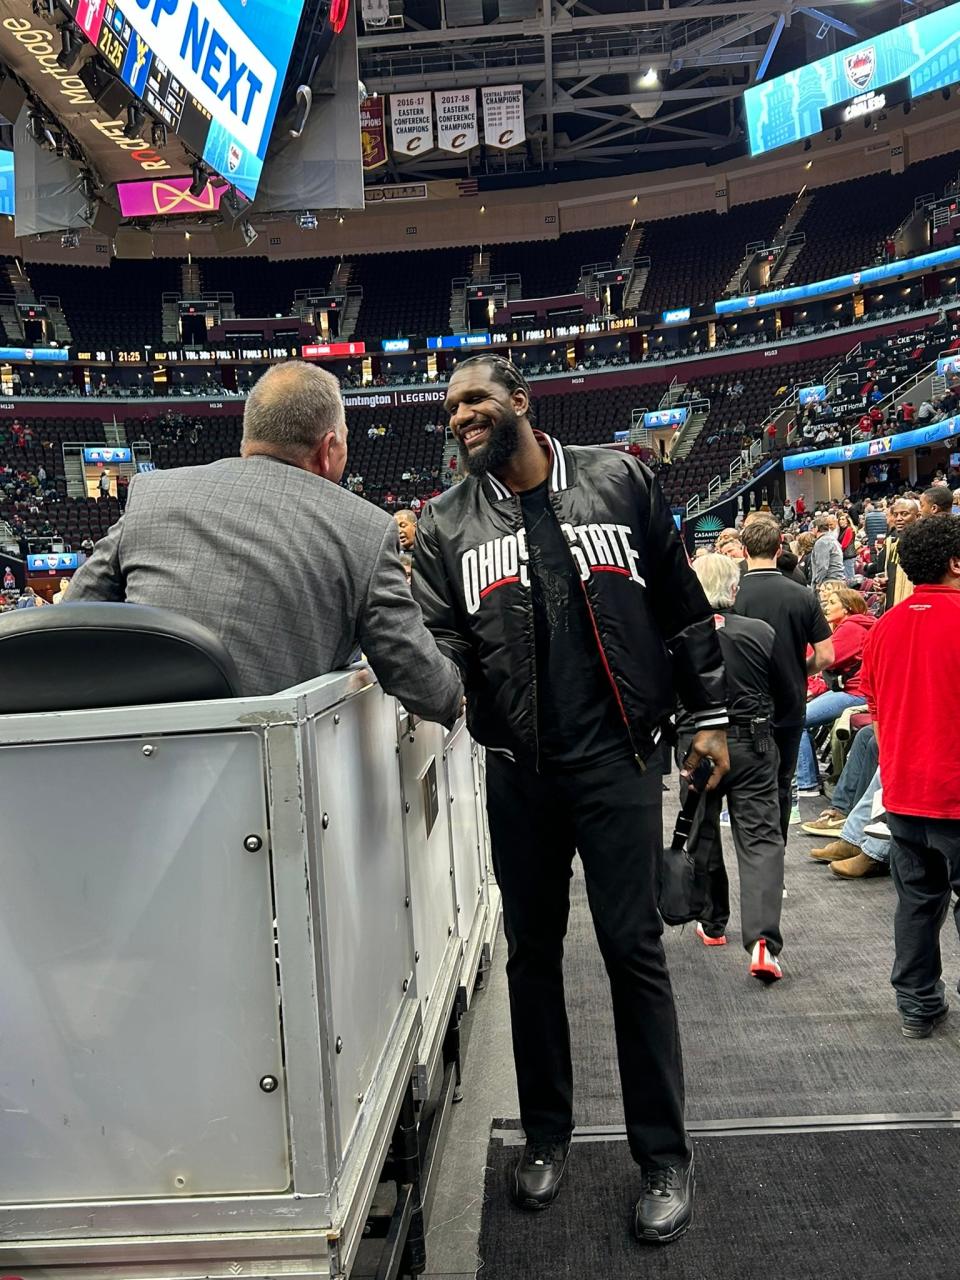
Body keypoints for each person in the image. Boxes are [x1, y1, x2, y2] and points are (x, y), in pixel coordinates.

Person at [413, 354, 729, 1244]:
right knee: (531, 956)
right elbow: (437, 640)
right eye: (449, 408)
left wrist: (710, 714)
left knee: (633, 953)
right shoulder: (445, 524)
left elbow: (680, 599)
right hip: (519, 770)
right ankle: (547, 1135)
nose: (460, 417)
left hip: (620, 760)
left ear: (521, 400)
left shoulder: (619, 477)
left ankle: (665, 1154)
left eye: (474, 399)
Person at [67, 362, 463, 722]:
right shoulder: (366, 530)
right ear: (327, 449)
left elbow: (70, 621)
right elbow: (429, 691)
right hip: (272, 779)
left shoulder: (153, 493)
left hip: (134, 759)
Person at [859, 515, 960, 1038]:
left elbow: (874, 718)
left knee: (917, 903)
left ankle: (918, 1007)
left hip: (903, 796)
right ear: (954, 562)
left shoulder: (886, 627)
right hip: (953, 795)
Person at [678, 555, 792, 980]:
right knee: (762, 839)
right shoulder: (760, 632)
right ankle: (763, 942)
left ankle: (712, 924)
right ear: (733, 589)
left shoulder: (678, 637)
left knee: (702, 830)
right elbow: (787, 690)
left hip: (697, 745)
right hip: (755, 742)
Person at [735, 517, 834, 839]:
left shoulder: (733, 593)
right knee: (781, 781)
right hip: (789, 699)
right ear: (780, 549)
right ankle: (774, 860)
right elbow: (826, 656)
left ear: (744, 549)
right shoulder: (802, 595)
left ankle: (752, 858)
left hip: (741, 703)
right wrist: (797, 668)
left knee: (743, 786)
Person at [794, 587, 875, 798]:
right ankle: (806, 775)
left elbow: (827, 658)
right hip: (853, 690)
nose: (826, 607)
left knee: (798, 720)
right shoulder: (852, 626)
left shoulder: (851, 628)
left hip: (855, 693)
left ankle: (807, 783)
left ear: (847, 608)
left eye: (831, 602)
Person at [864, 497, 920, 609]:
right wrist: (880, 583)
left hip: (916, 605)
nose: (899, 518)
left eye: (904, 514)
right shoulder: (890, 542)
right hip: (892, 605)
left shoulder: (924, 543)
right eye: (895, 515)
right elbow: (882, 574)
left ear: (917, 517)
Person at [808, 513, 844, 588]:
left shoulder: (822, 542)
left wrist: (818, 583)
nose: (811, 530)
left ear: (817, 528)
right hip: (836, 580)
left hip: (829, 582)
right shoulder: (832, 539)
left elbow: (823, 566)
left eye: (812, 528)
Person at [837, 511, 856, 580]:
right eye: (840, 519)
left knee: (850, 578)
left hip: (848, 556)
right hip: (846, 556)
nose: (841, 521)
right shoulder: (842, 530)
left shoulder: (849, 529)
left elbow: (844, 545)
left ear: (847, 521)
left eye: (843, 519)